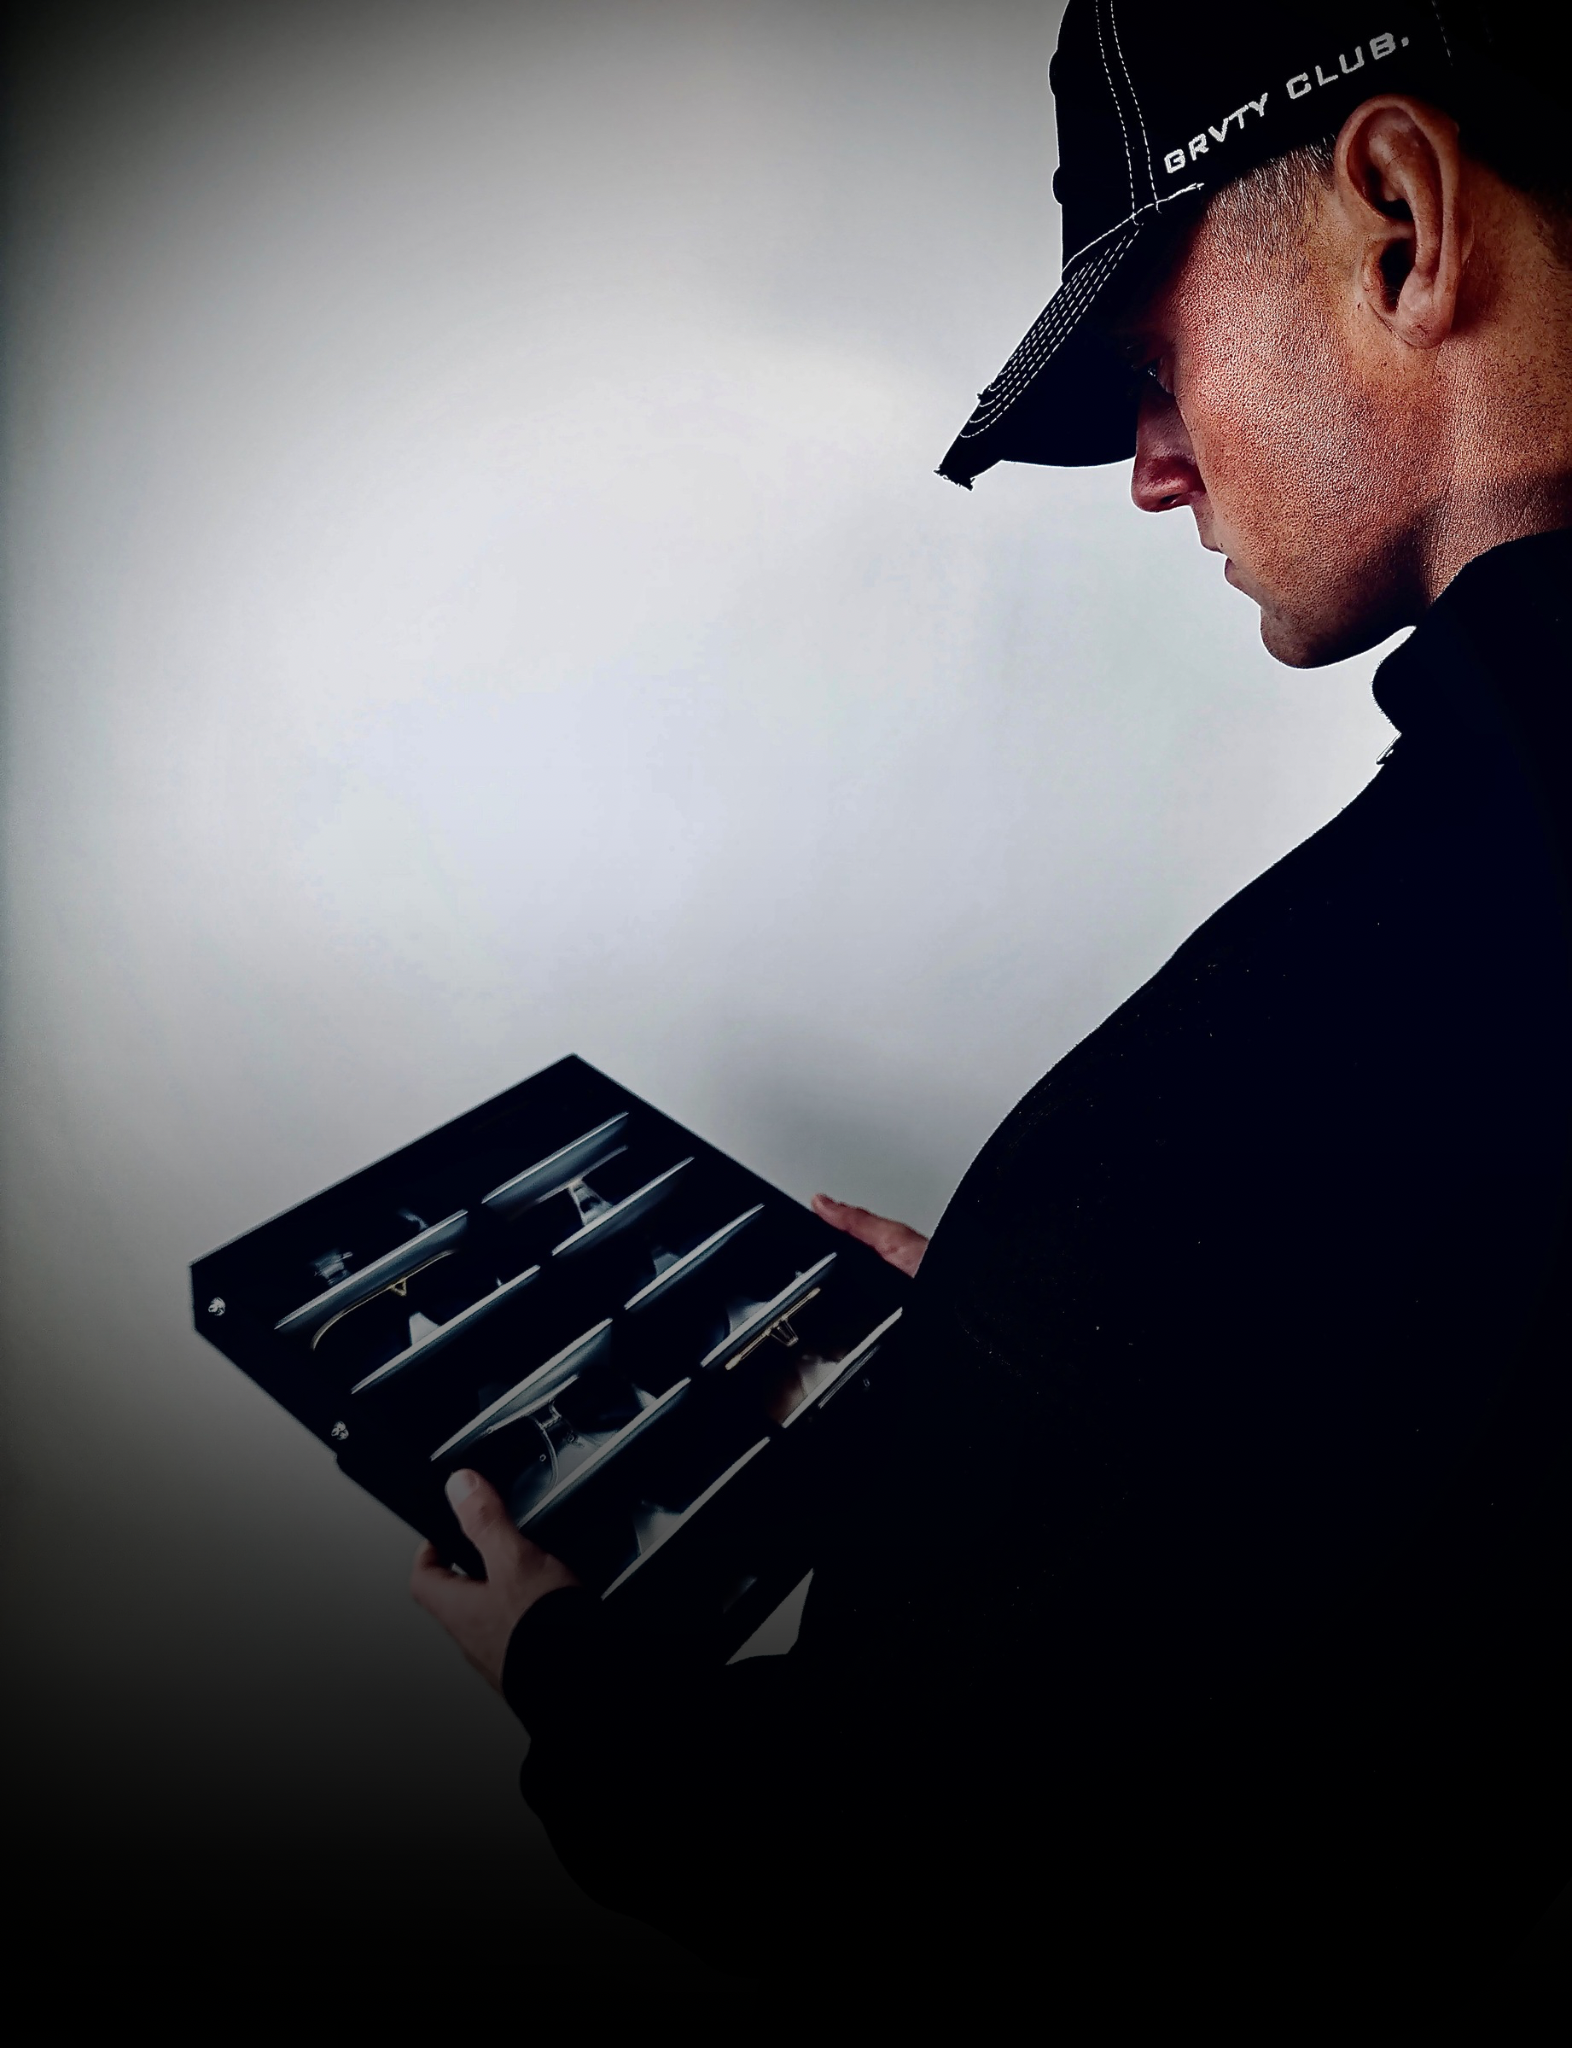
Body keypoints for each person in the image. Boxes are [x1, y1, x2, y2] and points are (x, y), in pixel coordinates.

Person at [411, 3, 1572, 2027]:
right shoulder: (1425, 978)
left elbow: (950, 1874)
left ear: (1400, 222)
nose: (1150, 471)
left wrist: (576, 1685)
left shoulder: (1410, 972)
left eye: (1150, 365)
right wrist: (1056, 1362)